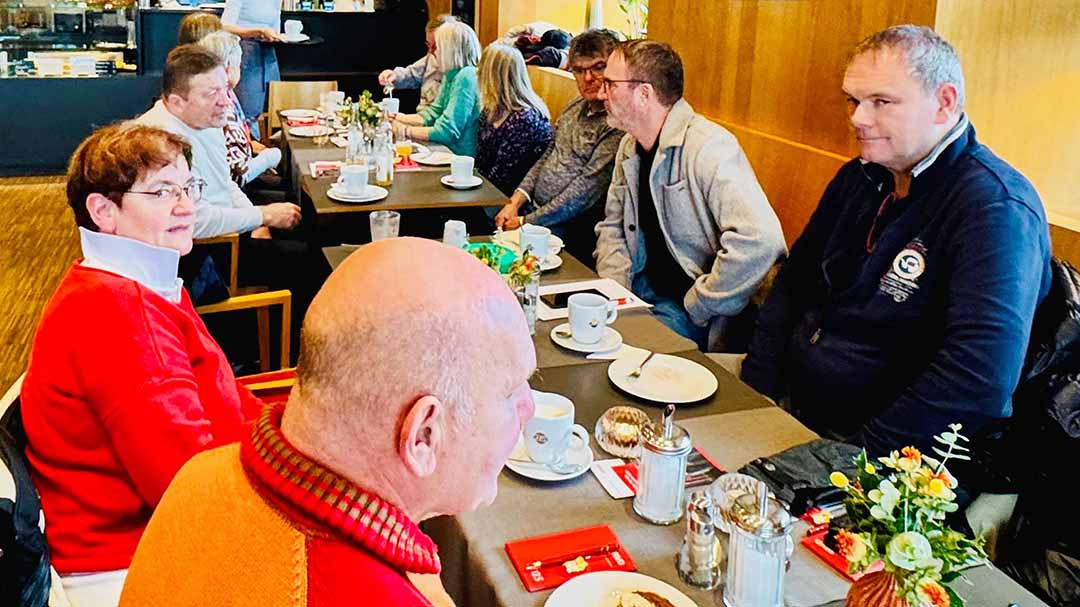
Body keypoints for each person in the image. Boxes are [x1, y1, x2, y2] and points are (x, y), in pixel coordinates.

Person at [118, 238, 537, 606]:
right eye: (510, 392)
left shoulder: (201, 472)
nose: (529, 409)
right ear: (423, 435)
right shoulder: (354, 593)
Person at [739, 25, 1052, 457]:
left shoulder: (995, 207)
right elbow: (794, 282)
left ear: (944, 103)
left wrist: (848, 458)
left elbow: (978, 378)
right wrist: (756, 392)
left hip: (880, 453)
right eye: (853, 101)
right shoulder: (861, 176)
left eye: (881, 102)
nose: (858, 118)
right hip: (792, 403)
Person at [19, 123, 264, 606]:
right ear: (103, 211)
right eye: (162, 192)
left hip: (141, 531)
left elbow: (223, 398)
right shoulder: (120, 313)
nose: (186, 206)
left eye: (188, 188)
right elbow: (188, 491)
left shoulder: (132, 282)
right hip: (124, 561)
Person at [136, 45, 330, 357]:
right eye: (211, 93)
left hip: (226, 235)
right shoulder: (160, 142)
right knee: (310, 262)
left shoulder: (203, 122)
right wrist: (262, 216)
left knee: (308, 231)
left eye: (225, 88)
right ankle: (288, 359)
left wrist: (256, 219)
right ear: (176, 102)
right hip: (199, 257)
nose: (226, 101)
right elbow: (194, 221)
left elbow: (225, 183)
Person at [594, 40, 785, 351]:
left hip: (685, 309)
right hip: (635, 292)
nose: (601, 94)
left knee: (611, 360)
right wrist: (613, 293)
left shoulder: (709, 147)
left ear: (644, 94)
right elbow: (613, 227)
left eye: (610, 84)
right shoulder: (629, 146)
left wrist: (699, 303)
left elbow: (762, 240)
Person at [493, 29, 624, 267]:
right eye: (579, 70)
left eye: (598, 67)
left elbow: (583, 194)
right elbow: (547, 156)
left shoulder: (616, 123)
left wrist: (525, 221)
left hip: (569, 229)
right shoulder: (575, 105)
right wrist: (515, 202)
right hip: (533, 213)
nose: (588, 78)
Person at [197, 30, 281, 187]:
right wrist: (271, 157)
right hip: (237, 188)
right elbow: (238, 176)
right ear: (228, 69)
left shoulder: (220, 94)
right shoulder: (221, 107)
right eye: (239, 65)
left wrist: (250, 145)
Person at [391, 21, 481, 157]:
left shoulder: (466, 76)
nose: (431, 52)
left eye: (437, 47)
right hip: (444, 152)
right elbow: (433, 114)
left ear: (451, 50)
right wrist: (398, 117)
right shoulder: (451, 74)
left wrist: (405, 130)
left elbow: (446, 132)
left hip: (458, 157)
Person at [475, 44, 553, 197]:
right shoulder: (491, 109)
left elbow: (503, 179)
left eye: (481, 69)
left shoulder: (524, 120)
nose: (478, 73)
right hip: (490, 189)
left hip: (512, 198)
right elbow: (481, 161)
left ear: (491, 76)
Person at [220, 0, 284, 139]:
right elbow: (224, 26)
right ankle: (248, 145)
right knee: (249, 110)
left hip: (268, 52)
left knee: (275, 106)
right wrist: (258, 31)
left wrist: (276, 36)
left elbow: (275, 25)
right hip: (245, 52)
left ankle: (269, 145)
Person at [378, 14, 457, 114]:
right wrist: (394, 75)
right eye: (428, 44)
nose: (431, 51)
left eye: (436, 46)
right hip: (422, 116)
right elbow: (411, 74)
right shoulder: (430, 58)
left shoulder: (462, 71)